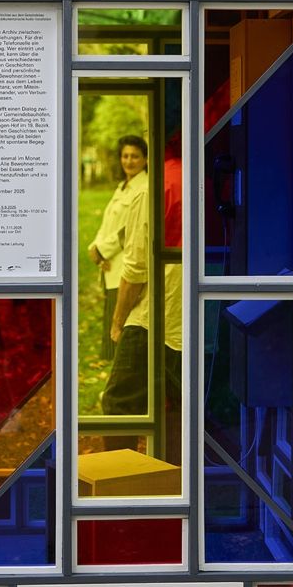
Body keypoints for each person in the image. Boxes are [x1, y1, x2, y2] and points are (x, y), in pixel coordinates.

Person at [101, 140, 183, 463]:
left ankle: (120, 480)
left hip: (153, 313)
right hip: (185, 316)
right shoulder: (196, 177)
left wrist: (118, 320)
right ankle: (174, 476)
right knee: (174, 403)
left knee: (119, 402)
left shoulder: (153, 188)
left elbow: (136, 267)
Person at [87, 136, 149, 361]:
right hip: (109, 266)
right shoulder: (122, 187)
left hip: (124, 267)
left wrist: (102, 251)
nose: (129, 161)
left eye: (135, 156)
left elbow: (127, 231)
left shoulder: (144, 188)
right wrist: (95, 249)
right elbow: (108, 224)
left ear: (145, 159)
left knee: (120, 329)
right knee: (112, 328)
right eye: (125, 156)